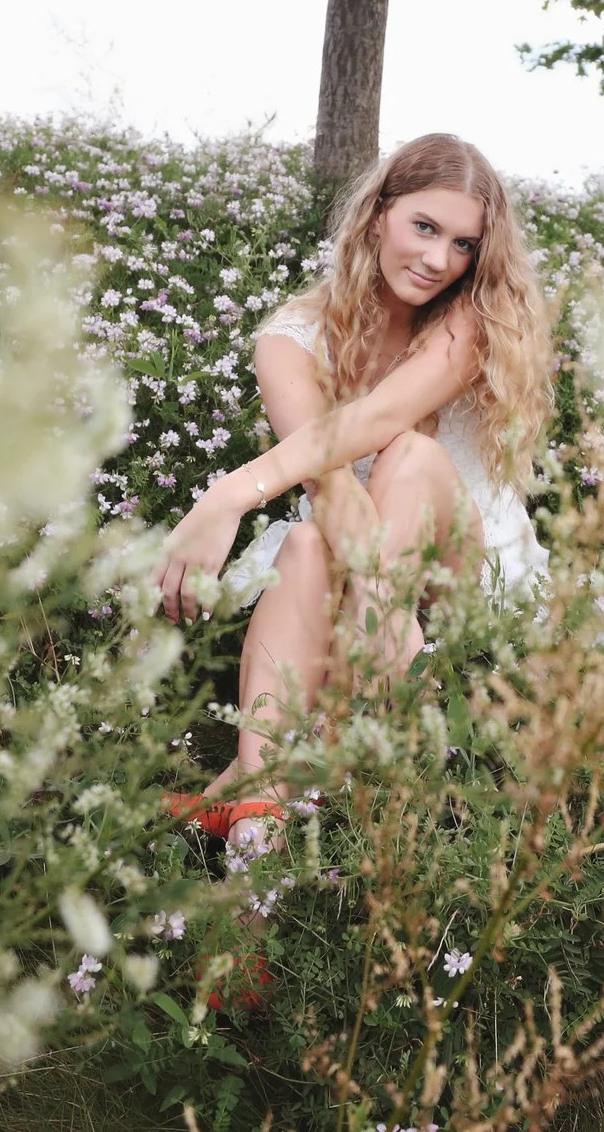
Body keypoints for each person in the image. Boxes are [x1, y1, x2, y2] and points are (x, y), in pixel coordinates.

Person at [150, 133, 552, 854]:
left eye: (463, 244)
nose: (438, 259)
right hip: (354, 554)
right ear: (377, 216)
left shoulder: (470, 319)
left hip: (468, 566)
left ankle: (239, 790)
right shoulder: (294, 337)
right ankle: (258, 833)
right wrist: (379, 599)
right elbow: (328, 480)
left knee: (409, 453)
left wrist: (228, 494)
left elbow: (373, 422)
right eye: (423, 227)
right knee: (304, 538)